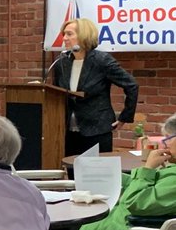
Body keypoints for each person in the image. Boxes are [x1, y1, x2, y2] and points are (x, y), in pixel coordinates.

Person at [49, 18, 139, 156]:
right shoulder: (62, 63)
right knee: (70, 166)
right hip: (68, 130)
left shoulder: (101, 60)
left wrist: (125, 116)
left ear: (84, 35)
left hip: (97, 129)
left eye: (69, 34)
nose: (65, 38)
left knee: (95, 168)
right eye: (64, 34)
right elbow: (57, 93)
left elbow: (131, 85)